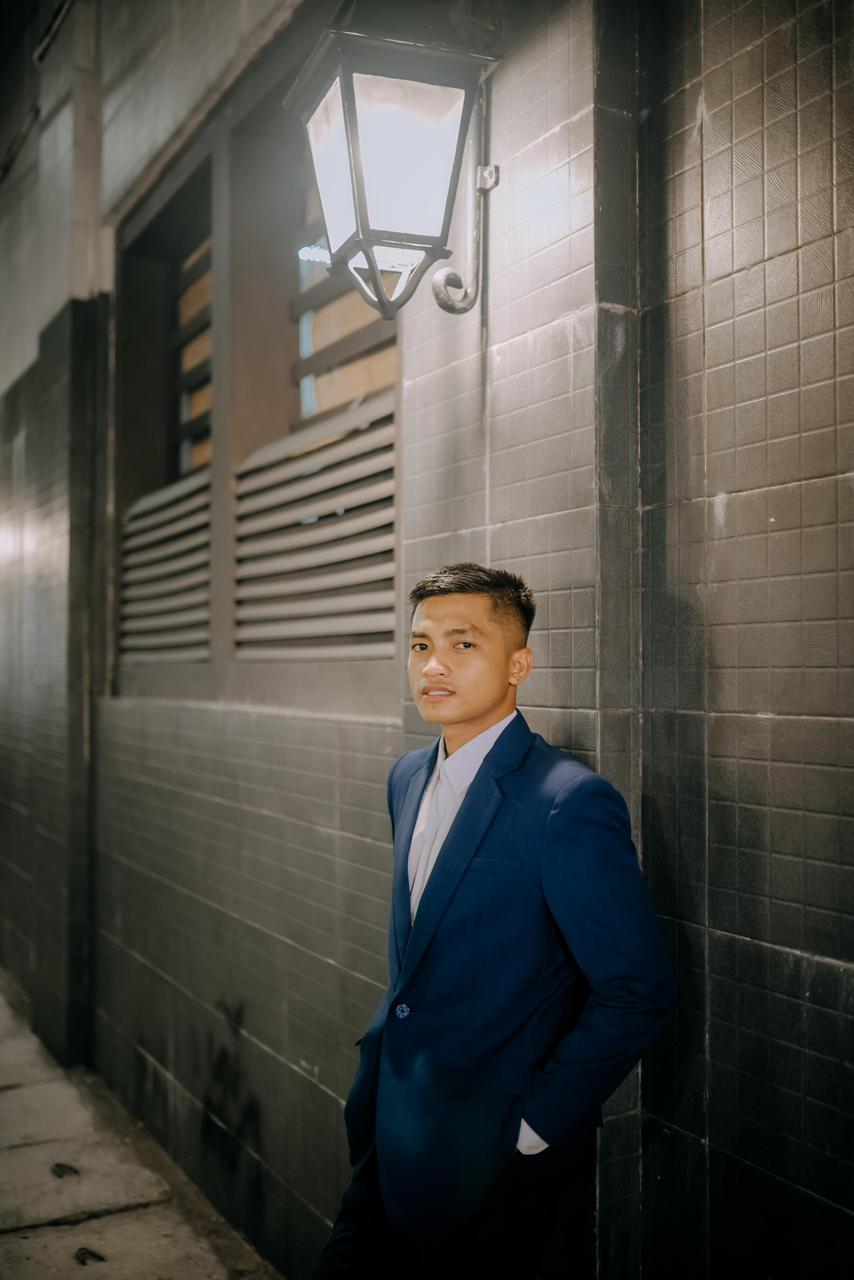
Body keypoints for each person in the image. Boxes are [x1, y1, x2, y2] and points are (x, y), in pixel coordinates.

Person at [313, 563, 674, 1278]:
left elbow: (639, 989)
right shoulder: (408, 777)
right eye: (421, 646)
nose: (433, 665)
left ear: (518, 666)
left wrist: (533, 1126)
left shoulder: (566, 802)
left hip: (494, 1150)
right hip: (393, 1127)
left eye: (463, 643)